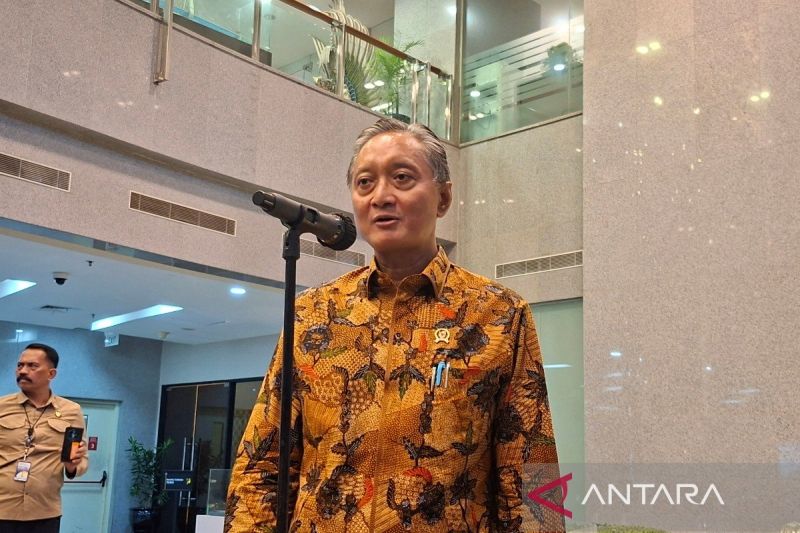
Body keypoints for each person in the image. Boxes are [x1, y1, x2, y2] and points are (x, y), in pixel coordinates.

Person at [226, 118, 563, 532]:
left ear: (443, 198)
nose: (381, 196)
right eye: (365, 183)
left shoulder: (499, 313)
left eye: (402, 178)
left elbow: (532, 480)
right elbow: (260, 467)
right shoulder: (313, 313)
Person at [0, 343, 88, 533]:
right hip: (2, 509)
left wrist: (72, 465)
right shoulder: (2, 406)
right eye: (20, 365)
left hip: (45, 512)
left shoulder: (71, 411)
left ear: (51, 374)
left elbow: (81, 461)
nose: (23, 371)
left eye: (32, 366)